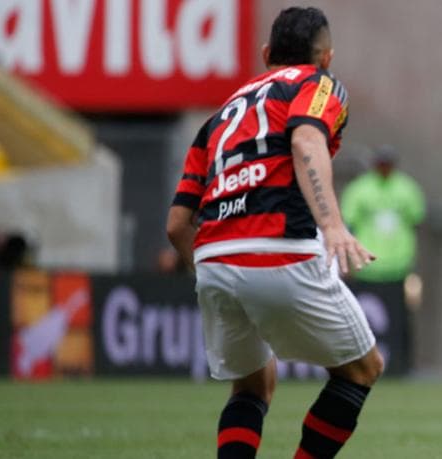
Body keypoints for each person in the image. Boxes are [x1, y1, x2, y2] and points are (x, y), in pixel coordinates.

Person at [166, 7, 383, 459]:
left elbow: (177, 226)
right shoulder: (315, 83)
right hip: (278, 247)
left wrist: (209, 270)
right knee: (362, 369)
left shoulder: (219, 117)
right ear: (325, 58)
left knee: (252, 385)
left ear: (266, 54)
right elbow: (306, 140)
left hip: (212, 257)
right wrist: (333, 226)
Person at [339, 145, 425, 375]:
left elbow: (416, 221)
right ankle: (356, 364)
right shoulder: (359, 190)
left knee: (399, 322)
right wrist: (347, 261)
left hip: (397, 268)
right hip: (366, 268)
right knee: (359, 322)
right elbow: (348, 226)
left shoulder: (407, 189)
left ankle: (400, 367)